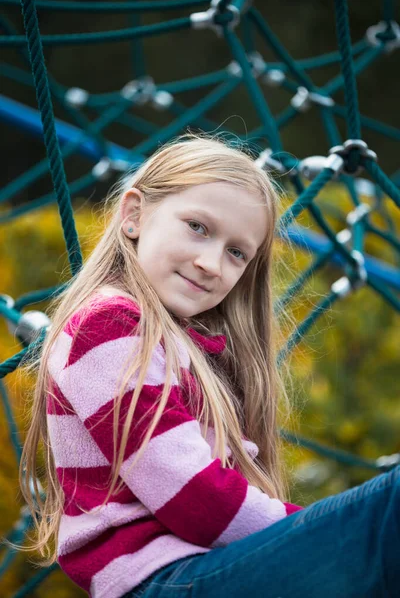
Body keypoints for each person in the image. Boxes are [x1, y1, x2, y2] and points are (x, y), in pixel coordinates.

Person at [12, 133, 400, 598]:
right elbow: (197, 500)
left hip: (197, 569)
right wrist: (323, 531)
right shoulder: (108, 326)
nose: (212, 263)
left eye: (237, 252)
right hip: (163, 580)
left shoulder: (183, 344)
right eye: (198, 227)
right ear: (134, 215)